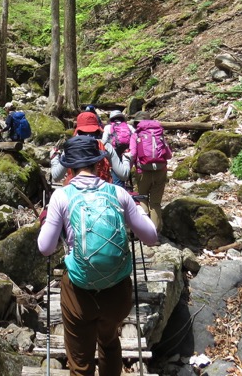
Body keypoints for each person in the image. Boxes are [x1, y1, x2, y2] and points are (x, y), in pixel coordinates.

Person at [38, 136, 158, 376]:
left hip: (79, 293)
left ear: (69, 167)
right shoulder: (118, 193)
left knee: (80, 361)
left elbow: (45, 248)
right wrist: (141, 211)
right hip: (117, 291)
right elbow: (150, 237)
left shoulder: (61, 197)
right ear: (98, 163)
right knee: (110, 342)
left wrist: (49, 220)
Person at [50, 110, 130, 186]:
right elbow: (124, 175)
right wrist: (126, 158)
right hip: (101, 194)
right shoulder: (106, 146)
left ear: (78, 130)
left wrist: (54, 157)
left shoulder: (71, 147)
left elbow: (56, 176)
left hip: (73, 195)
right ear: (97, 129)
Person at [129, 111, 172, 231]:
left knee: (142, 198)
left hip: (143, 171)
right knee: (155, 203)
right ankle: (155, 235)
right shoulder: (159, 134)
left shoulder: (136, 135)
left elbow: (132, 154)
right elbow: (168, 155)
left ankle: (144, 232)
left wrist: (128, 169)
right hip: (160, 170)